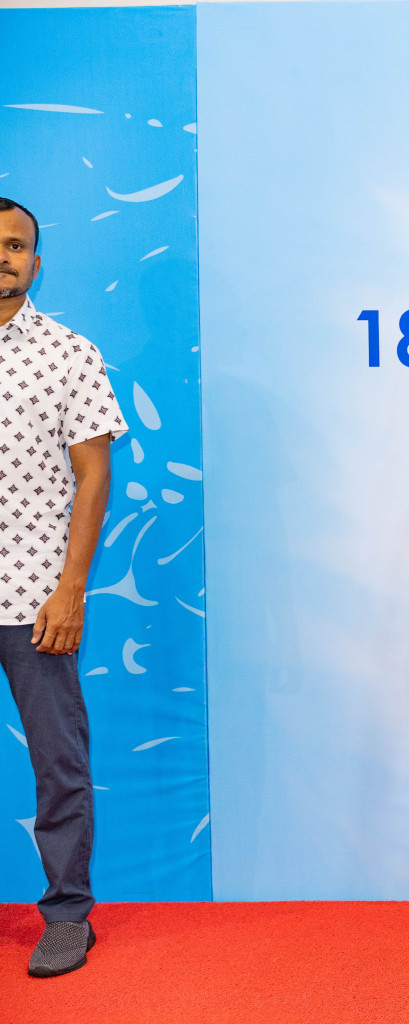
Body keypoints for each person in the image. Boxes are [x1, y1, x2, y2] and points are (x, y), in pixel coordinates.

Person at [0, 197, 129, 978]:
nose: (3, 255)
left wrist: (70, 589)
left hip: (33, 602)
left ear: (36, 263)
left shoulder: (69, 353)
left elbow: (94, 478)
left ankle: (68, 915)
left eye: (17, 246)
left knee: (59, 763)